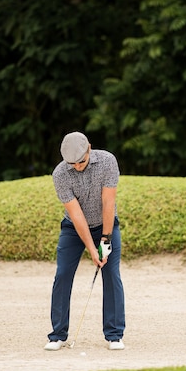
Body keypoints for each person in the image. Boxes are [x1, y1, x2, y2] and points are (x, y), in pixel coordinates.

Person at [44, 131, 125, 351]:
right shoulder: (60, 174)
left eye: (81, 161)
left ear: (89, 148)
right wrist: (92, 248)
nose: (77, 167)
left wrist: (105, 239)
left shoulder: (108, 161)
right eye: (72, 164)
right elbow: (77, 215)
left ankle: (114, 335)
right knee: (62, 275)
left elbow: (108, 203)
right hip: (73, 228)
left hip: (105, 224)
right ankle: (57, 335)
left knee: (111, 274)